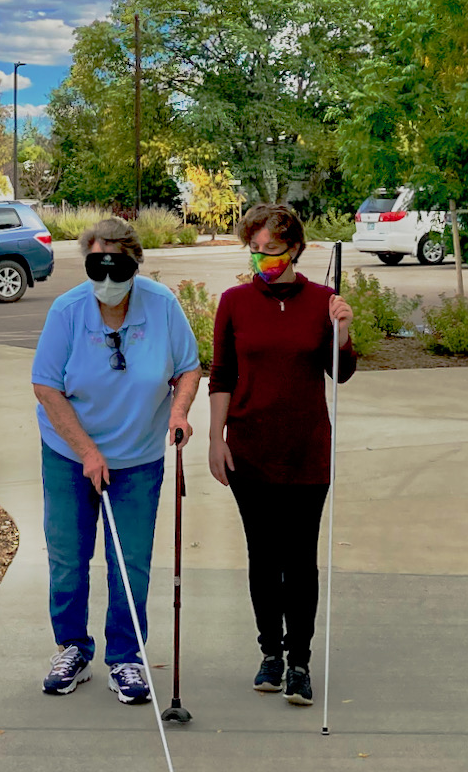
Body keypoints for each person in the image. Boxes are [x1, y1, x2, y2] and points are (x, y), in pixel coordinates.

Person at [32, 217, 201, 703]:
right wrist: (86, 451)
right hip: (69, 454)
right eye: (96, 268)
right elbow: (46, 385)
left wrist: (179, 412)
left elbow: (188, 370)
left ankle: (126, 657)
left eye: (117, 269)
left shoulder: (162, 306)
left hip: (138, 457)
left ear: (135, 264)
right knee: (68, 556)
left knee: (130, 562)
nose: (107, 283)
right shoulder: (68, 311)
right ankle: (73, 648)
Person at [208, 203, 356, 706]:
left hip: (306, 451)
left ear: (295, 248)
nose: (263, 260)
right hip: (249, 450)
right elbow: (222, 375)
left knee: (301, 561)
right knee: (262, 558)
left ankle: (300, 662)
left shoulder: (323, 301)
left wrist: (344, 331)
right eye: (255, 251)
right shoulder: (233, 302)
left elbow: (342, 373)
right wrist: (215, 438)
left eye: (271, 251)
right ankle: (270, 653)